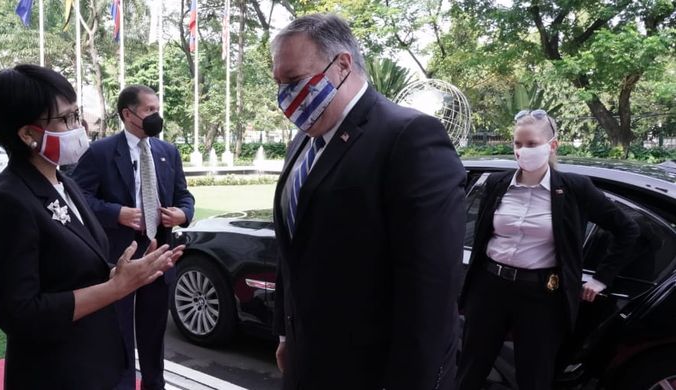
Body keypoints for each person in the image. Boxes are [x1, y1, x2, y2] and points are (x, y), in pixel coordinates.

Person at [271, 14, 466, 390]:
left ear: (342, 65)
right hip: (306, 359)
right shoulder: (302, 143)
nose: (285, 97)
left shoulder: (409, 137)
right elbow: (292, 251)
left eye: (294, 81)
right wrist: (284, 334)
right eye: (279, 84)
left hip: (372, 372)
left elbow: (430, 289)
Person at [0, 64, 184, 389]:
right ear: (28, 134)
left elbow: (77, 270)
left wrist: (122, 272)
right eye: (66, 119)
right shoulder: (8, 202)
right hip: (58, 373)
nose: (78, 127)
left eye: (77, 115)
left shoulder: (62, 181)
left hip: (99, 362)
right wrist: (115, 288)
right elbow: (21, 315)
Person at [457, 109, 640, 390]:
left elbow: (627, 229)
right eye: (518, 144)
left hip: (541, 294)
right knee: (471, 368)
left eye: (531, 144)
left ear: (552, 145)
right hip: (489, 287)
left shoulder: (574, 188)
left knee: (535, 374)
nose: (522, 151)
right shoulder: (497, 184)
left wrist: (602, 277)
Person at [72, 84, 195, 390]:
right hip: (119, 257)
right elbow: (78, 196)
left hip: (159, 255)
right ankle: (123, 384)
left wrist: (182, 214)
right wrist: (117, 213)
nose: (156, 116)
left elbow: (185, 196)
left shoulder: (168, 152)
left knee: (153, 334)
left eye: (157, 108)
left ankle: (155, 385)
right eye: (149, 110)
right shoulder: (100, 152)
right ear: (128, 114)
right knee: (120, 333)